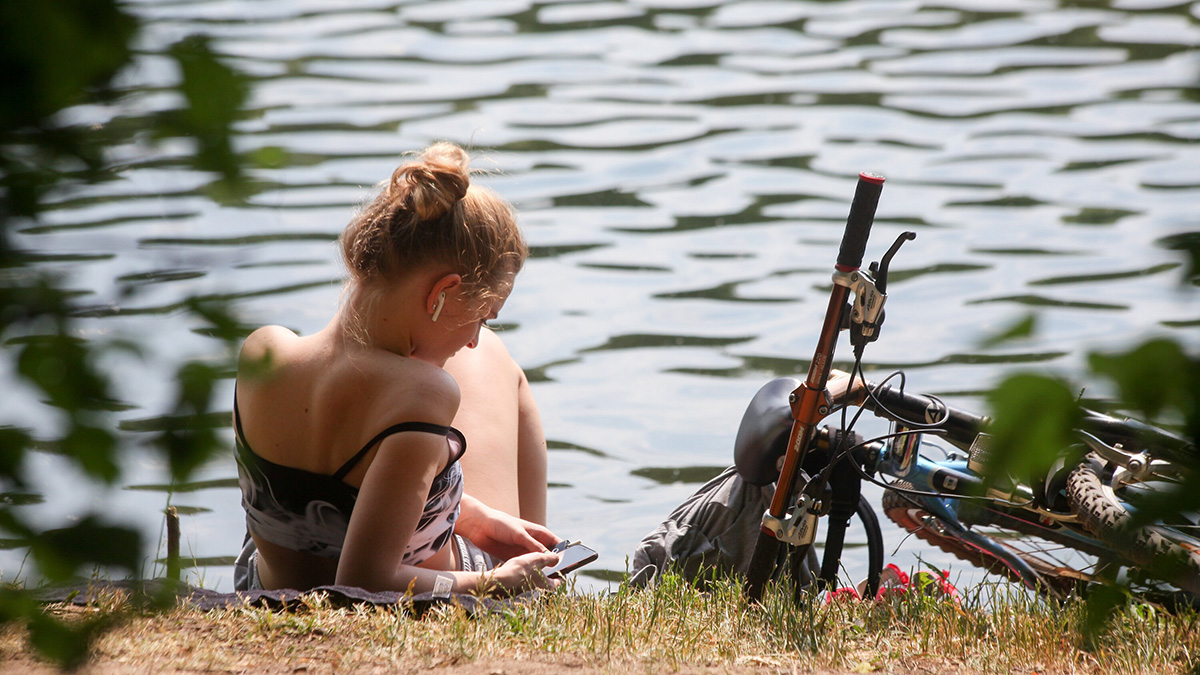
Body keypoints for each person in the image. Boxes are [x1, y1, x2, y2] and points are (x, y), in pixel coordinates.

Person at [232, 142, 561, 595]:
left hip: (264, 589)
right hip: (422, 591)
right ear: (442, 292)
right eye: (482, 317)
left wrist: (469, 515)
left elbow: (329, 498)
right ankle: (536, 588)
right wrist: (494, 581)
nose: (471, 339)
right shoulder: (425, 395)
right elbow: (362, 582)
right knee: (496, 361)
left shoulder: (261, 352)